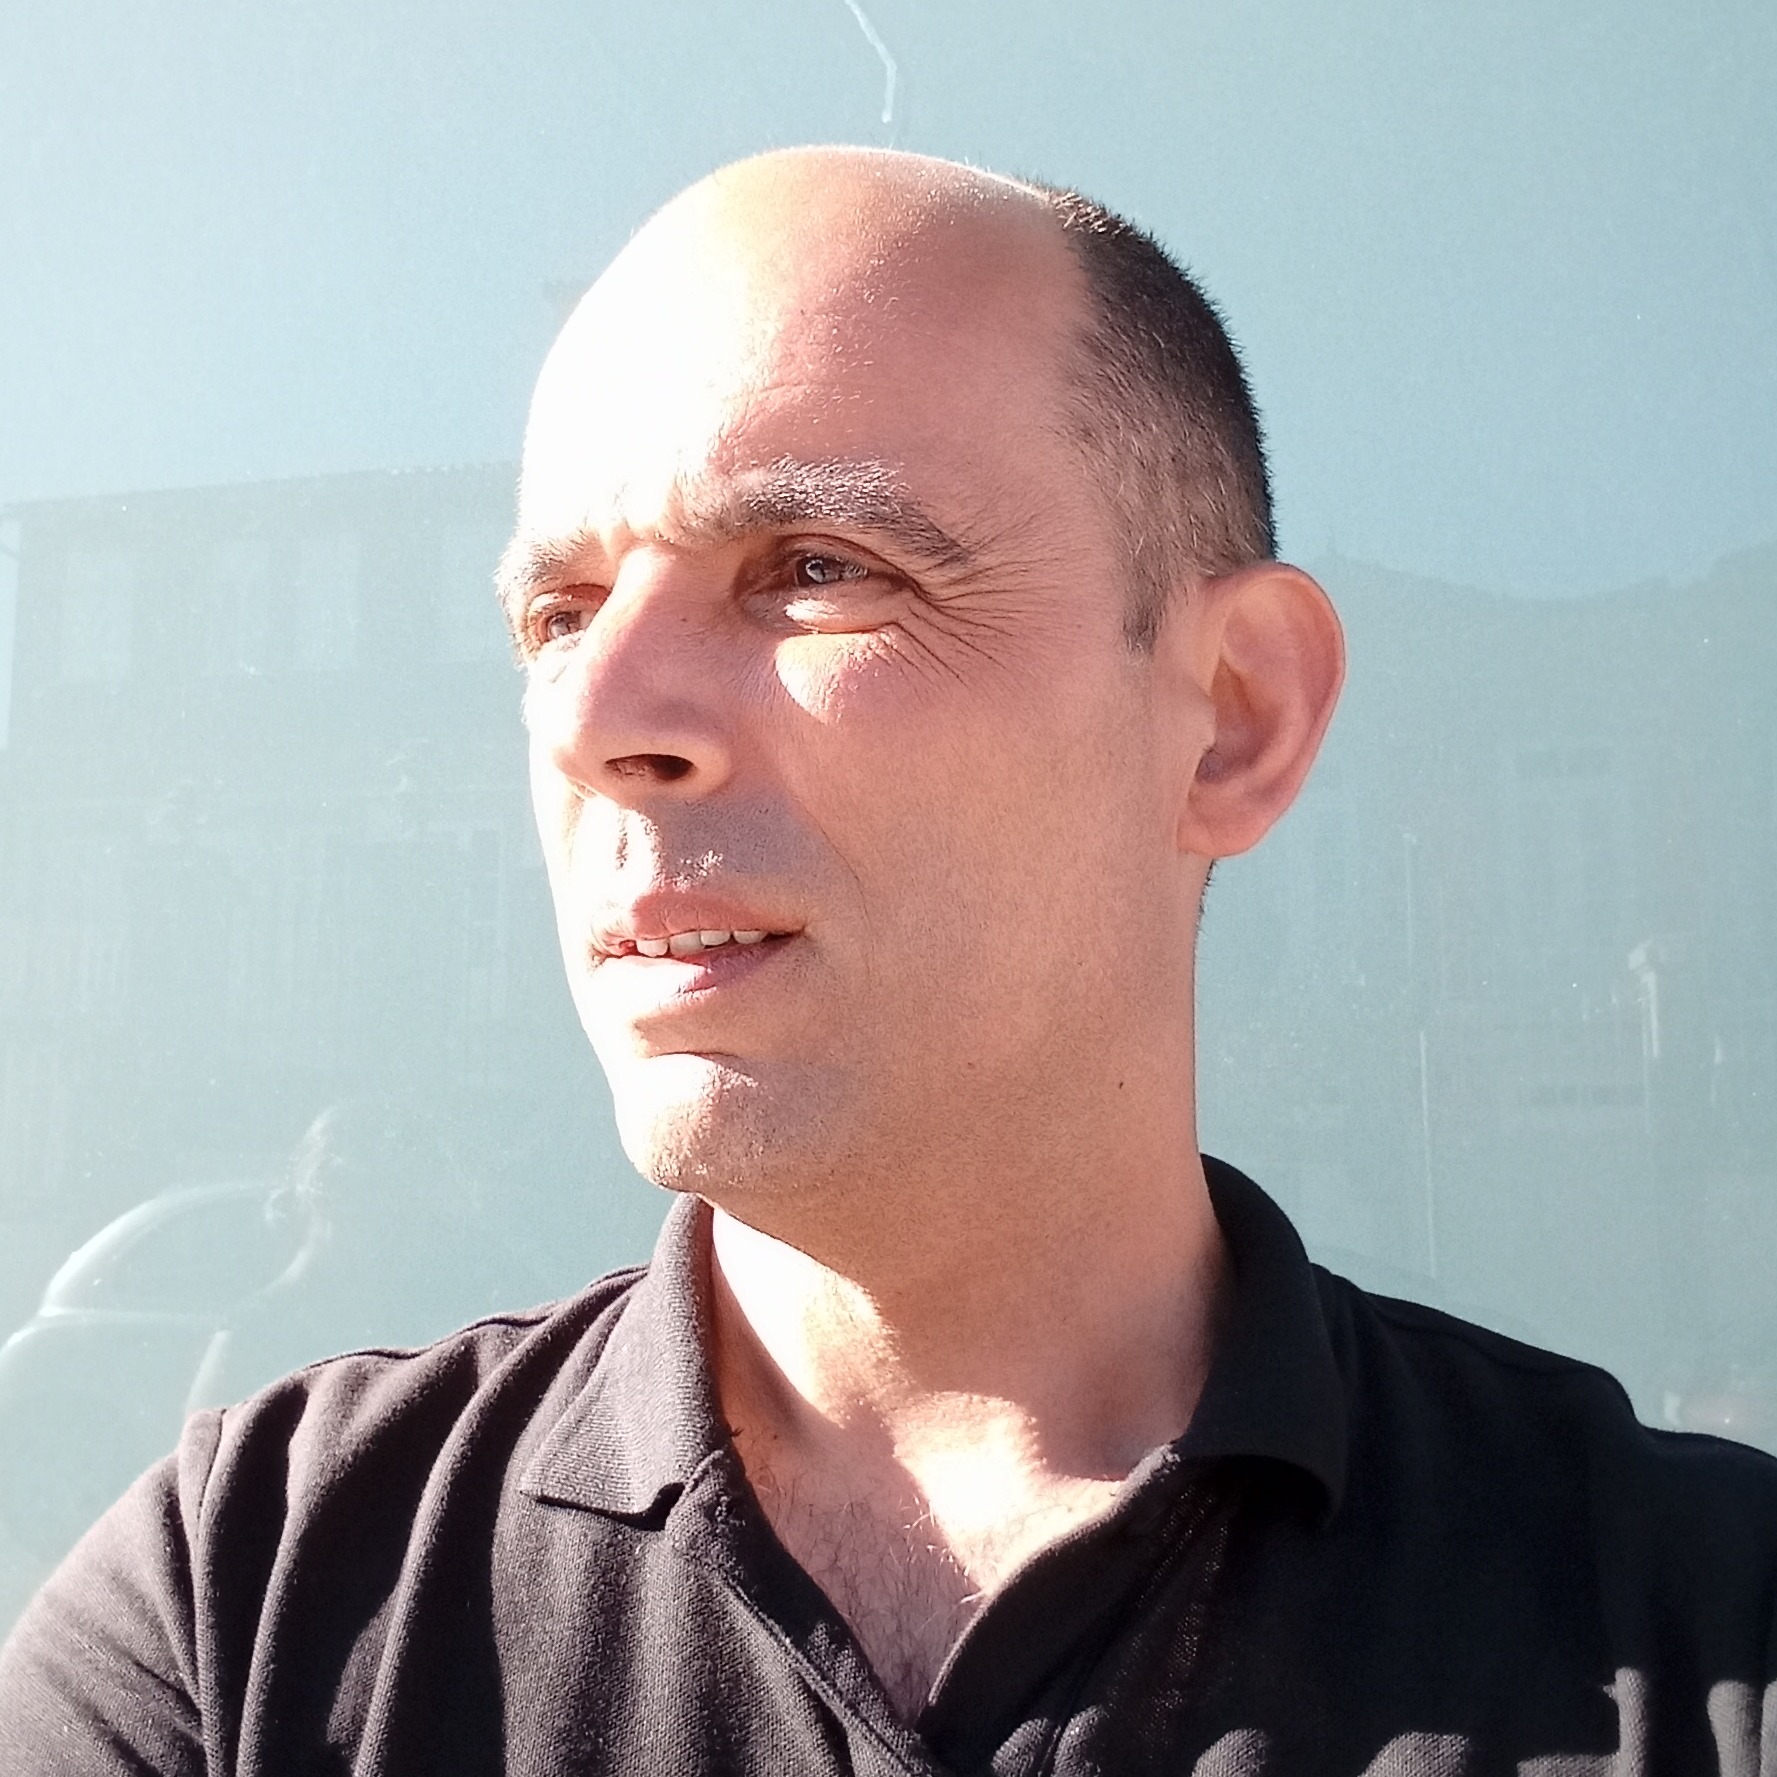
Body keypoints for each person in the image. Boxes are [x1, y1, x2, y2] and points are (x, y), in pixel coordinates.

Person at [2, 146, 1773, 1776]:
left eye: (814, 567)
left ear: (1230, 717)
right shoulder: (244, 1610)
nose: (596, 716)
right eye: (559, 614)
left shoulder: (1706, 1637)